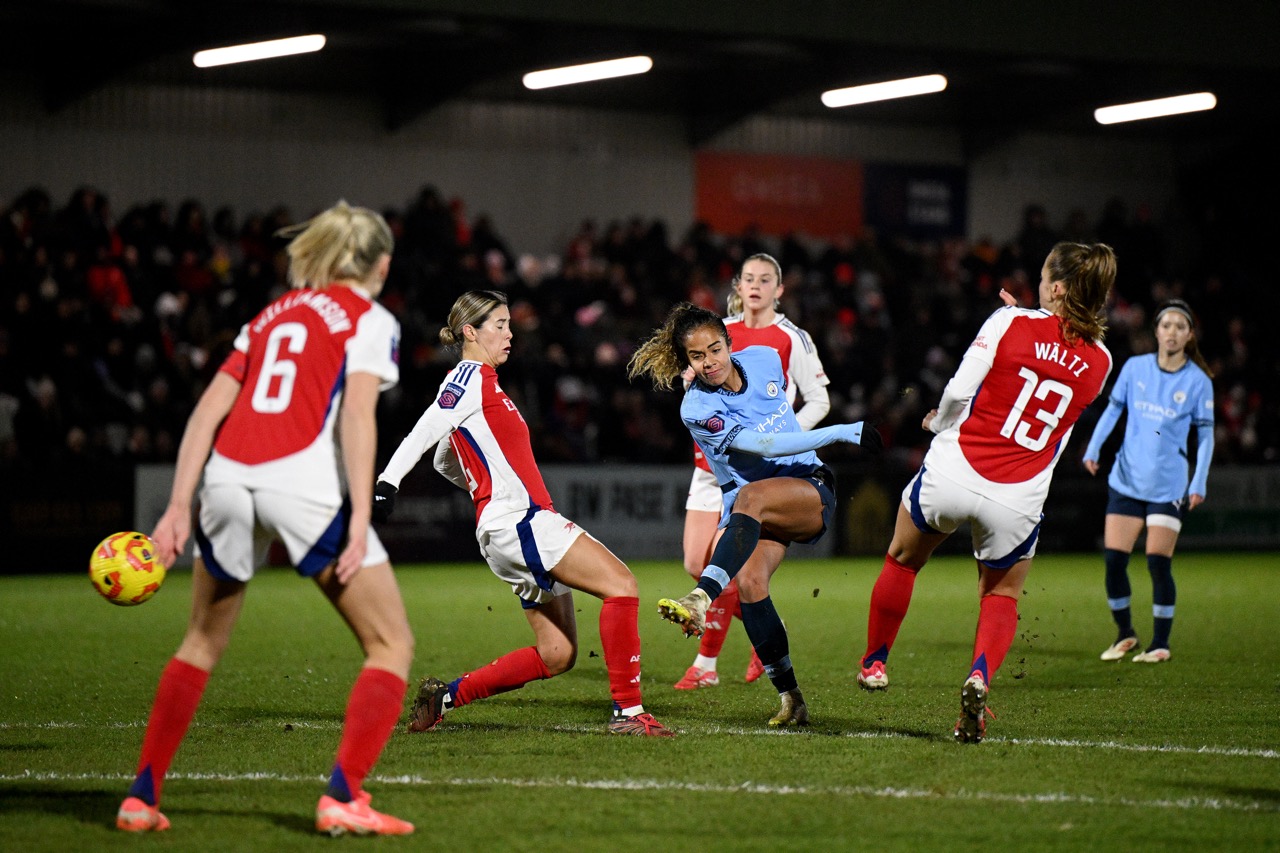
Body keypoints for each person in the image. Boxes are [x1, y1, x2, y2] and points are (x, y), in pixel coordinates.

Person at [117, 202, 416, 835]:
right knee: (391, 644)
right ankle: (343, 797)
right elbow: (357, 416)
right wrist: (361, 515)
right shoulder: (372, 318)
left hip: (225, 477)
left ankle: (141, 798)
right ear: (382, 263)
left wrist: (177, 506)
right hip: (299, 479)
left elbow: (206, 410)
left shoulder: (272, 312)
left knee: (200, 641)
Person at [372, 290, 673, 738]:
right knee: (622, 585)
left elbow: (443, 460)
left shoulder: (484, 385)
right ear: (470, 332)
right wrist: (387, 482)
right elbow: (428, 427)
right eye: (499, 325)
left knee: (557, 653)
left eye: (510, 324)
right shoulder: (469, 377)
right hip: (521, 521)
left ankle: (446, 696)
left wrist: (484, 486)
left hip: (506, 527)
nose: (510, 334)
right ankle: (629, 714)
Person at [856, 242, 1116, 744]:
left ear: (1058, 287)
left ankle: (874, 662)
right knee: (1000, 594)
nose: (1039, 284)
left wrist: (938, 422)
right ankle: (978, 678)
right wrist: (1026, 318)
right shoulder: (1102, 361)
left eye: (1044, 278)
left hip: (957, 468)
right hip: (1016, 495)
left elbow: (957, 391)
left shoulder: (1006, 323)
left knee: (902, 561)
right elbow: (1057, 360)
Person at [627, 303, 880, 726]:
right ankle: (792, 699)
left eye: (714, 349)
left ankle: (701, 597)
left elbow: (778, 430)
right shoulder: (695, 408)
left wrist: (837, 432)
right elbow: (762, 447)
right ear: (685, 361)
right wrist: (844, 431)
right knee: (749, 583)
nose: (709, 362)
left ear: (729, 343)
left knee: (753, 497)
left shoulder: (765, 358)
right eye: (696, 356)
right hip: (755, 504)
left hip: (809, 488)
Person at [675, 253, 831, 691]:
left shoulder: (789, 337)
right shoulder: (714, 334)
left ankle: (705, 665)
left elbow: (819, 399)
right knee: (694, 562)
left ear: (780, 290)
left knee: (728, 560)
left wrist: (782, 440)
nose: (756, 286)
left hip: (761, 475)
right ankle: (761, 613)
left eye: (766, 280)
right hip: (712, 466)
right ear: (738, 286)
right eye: (748, 279)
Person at [1082, 299, 1214, 664]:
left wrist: (1198, 481)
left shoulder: (1198, 382)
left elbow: (1206, 436)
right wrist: (1093, 447)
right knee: (1113, 561)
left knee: (1157, 562)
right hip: (1126, 480)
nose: (1172, 332)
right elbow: (1113, 410)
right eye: (1166, 325)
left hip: (1168, 486)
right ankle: (1125, 634)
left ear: (1189, 336)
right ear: (1156, 331)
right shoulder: (1135, 368)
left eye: (1180, 327)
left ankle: (1160, 643)